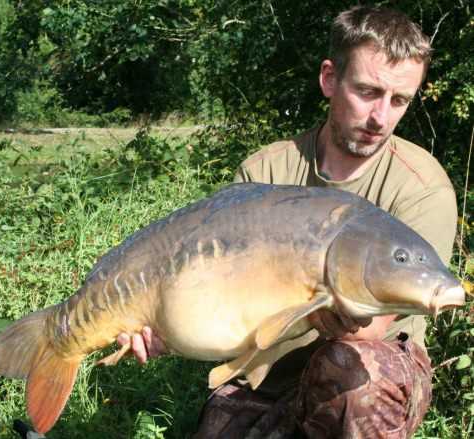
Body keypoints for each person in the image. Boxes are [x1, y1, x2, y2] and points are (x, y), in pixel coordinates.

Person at [118, 5, 458, 438]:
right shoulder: (265, 173)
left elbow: (371, 324)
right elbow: (223, 305)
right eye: (368, 91)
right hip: (266, 368)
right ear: (330, 79)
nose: (381, 118)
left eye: (399, 100)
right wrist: (164, 322)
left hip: (376, 367)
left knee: (354, 373)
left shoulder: (422, 188)